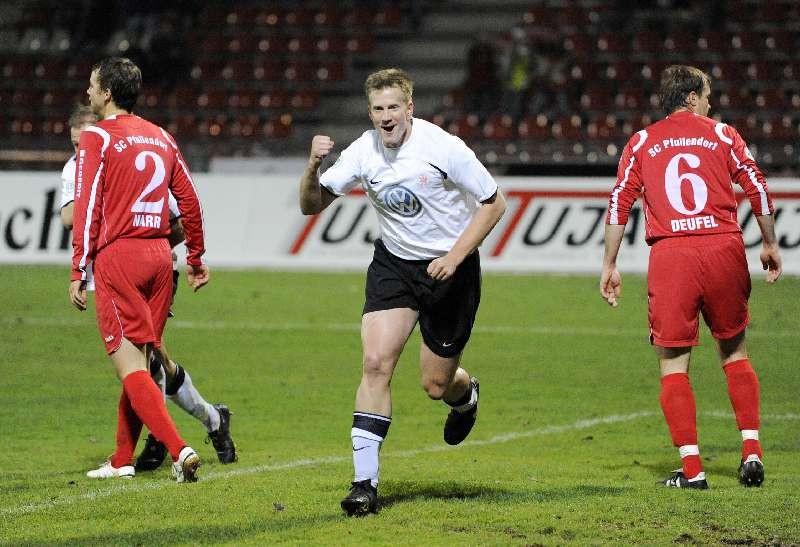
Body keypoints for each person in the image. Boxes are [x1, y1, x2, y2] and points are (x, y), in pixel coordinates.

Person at [298, 68, 507, 516]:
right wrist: (312, 167)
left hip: (450, 272)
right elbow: (311, 205)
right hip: (394, 266)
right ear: (370, 112)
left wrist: (454, 257)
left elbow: (494, 204)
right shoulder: (363, 150)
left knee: (435, 385)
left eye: (394, 107)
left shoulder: (443, 148)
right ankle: (364, 484)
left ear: (410, 108)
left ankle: (465, 396)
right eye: (378, 109)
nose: (386, 116)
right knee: (375, 363)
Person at [600, 65, 782, 489]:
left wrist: (609, 263)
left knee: (673, 365)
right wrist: (770, 243)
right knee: (734, 352)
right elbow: (756, 186)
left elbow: (619, 203)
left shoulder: (642, 142)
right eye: (708, 96)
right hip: (723, 248)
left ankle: (693, 470)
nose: (711, 104)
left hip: (672, 255)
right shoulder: (723, 134)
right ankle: (751, 451)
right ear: (692, 97)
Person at [60, 104, 237, 471]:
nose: (80, 150)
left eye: (84, 142)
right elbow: (67, 216)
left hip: (145, 268)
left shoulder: (129, 155)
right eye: (75, 145)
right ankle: (210, 419)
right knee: (152, 362)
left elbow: (177, 219)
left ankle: (162, 443)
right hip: (117, 267)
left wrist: (137, 238)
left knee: (143, 363)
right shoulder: (76, 168)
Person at [69, 57, 209, 482]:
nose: (87, 93)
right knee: (141, 365)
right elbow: (190, 201)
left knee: (130, 368)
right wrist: (196, 257)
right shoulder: (161, 136)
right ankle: (122, 459)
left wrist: (79, 268)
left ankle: (179, 450)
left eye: (92, 86)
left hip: (120, 259)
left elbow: (87, 207)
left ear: (107, 92)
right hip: (160, 258)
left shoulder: (96, 136)